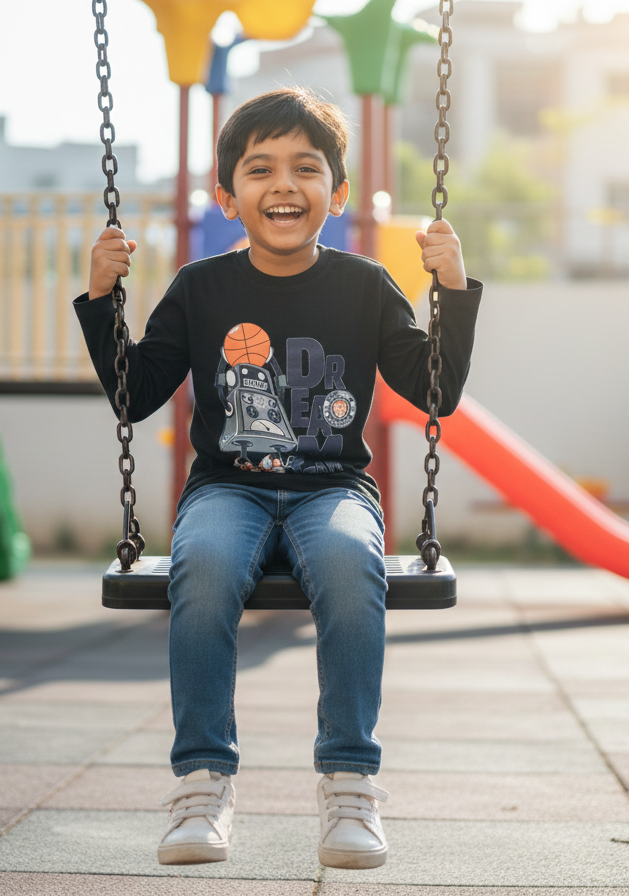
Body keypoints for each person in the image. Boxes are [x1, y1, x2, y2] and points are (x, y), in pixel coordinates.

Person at [75, 87, 482, 870]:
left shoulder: (363, 284)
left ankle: (349, 784)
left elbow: (434, 392)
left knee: (345, 563)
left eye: (305, 167)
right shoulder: (201, 288)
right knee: (204, 568)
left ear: (338, 191)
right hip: (225, 487)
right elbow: (137, 392)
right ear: (228, 198)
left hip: (332, 489)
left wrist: (453, 291)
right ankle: (201, 781)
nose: (284, 185)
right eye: (259, 170)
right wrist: (101, 300)